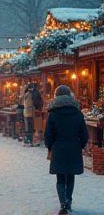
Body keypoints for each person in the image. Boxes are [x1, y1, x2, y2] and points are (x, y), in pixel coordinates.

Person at [44, 85, 89, 215]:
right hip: (73, 147)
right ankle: (68, 201)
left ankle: (62, 203)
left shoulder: (52, 114)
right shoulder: (78, 113)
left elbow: (48, 134)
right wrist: (80, 145)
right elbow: (84, 134)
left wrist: (50, 147)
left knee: (60, 178)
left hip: (58, 147)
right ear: (70, 95)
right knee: (70, 176)